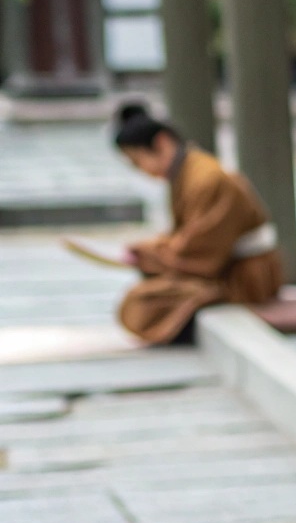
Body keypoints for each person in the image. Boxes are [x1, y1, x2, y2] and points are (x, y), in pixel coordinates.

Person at [109, 103, 283, 344]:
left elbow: (197, 251)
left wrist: (148, 253)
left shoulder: (206, 178)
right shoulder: (188, 172)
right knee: (146, 295)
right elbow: (188, 237)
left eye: (138, 161)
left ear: (160, 143)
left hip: (244, 277)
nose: (142, 171)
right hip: (225, 266)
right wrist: (150, 250)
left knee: (142, 301)